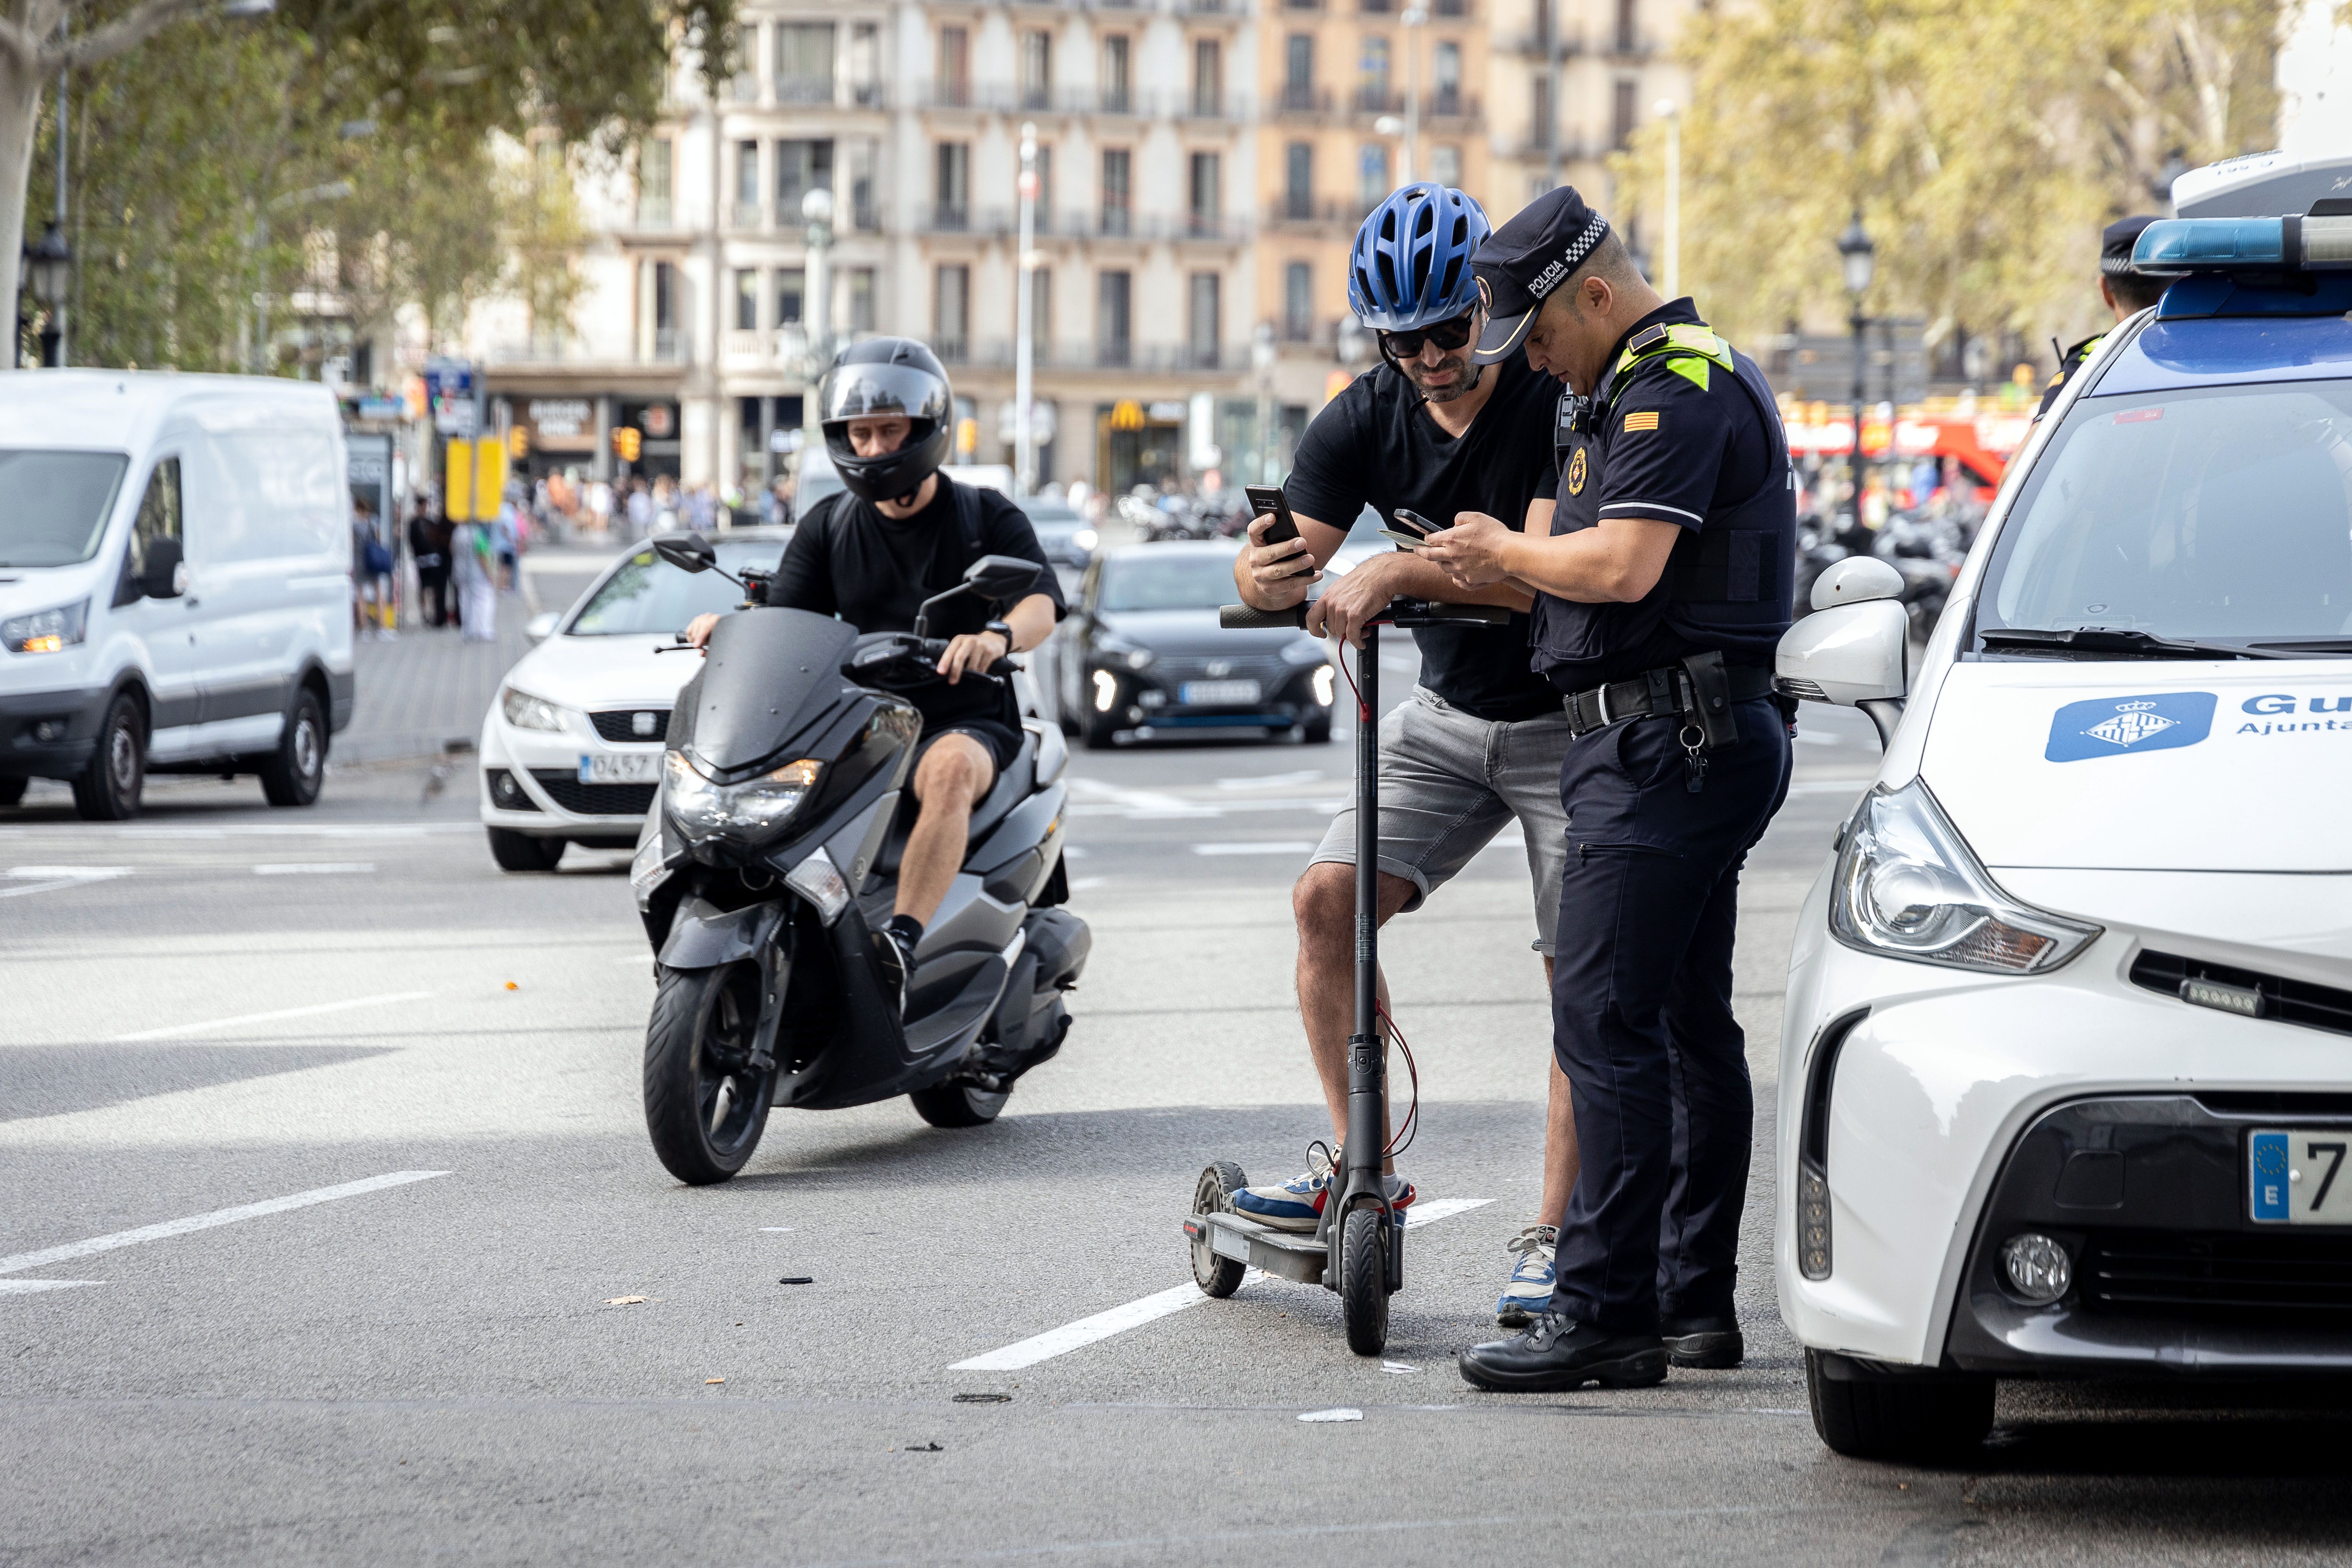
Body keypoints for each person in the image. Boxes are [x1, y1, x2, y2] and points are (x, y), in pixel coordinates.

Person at [1419, 186, 1795, 1391]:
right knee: (1681, 1023)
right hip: (1658, 740)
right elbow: (1565, 568)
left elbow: (1621, 566)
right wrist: (1461, 562)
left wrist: (1504, 551)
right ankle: (1689, 1306)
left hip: (1668, 747)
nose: (1526, 358)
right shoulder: (1610, 386)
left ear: (1591, 291)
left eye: (1534, 331)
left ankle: (1604, 1309)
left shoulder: (1673, 384)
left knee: (1603, 1025)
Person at [1228, 182, 1584, 1326]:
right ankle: (1359, 1164)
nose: (1430, 358)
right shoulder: (1360, 415)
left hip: (1566, 720)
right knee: (1325, 901)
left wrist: (1394, 574)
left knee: (1576, 972)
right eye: (1402, 339)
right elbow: (1284, 560)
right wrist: (1265, 571)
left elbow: (1522, 560)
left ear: (1483, 306)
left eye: (1447, 330)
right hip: (1445, 717)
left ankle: (1557, 1238)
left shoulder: (1546, 393)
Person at [683, 338, 1063, 1010]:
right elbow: (784, 614)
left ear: (925, 431)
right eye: (860, 432)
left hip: (962, 714)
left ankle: (903, 943)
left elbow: (1040, 602)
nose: (873, 445)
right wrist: (731, 627)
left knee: (946, 772)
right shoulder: (828, 524)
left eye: (890, 430)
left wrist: (995, 636)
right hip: (858, 721)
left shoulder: (983, 515)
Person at [2034, 215, 2166, 420]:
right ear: (2183, 283)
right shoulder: (2209, 357)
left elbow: (2031, 449)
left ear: (2105, 291)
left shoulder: (2086, 368)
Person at [409, 497, 451, 628]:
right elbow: (412, 541)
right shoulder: (414, 523)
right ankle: (425, 613)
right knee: (423, 587)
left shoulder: (430, 522)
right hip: (422, 559)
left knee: (434, 587)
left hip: (433, 558)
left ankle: (435, 613)